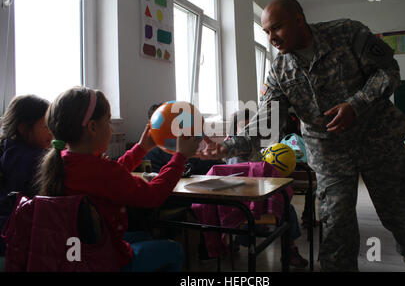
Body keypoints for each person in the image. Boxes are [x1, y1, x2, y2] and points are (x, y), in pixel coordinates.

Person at [198, 0, 405, 271]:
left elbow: (388, 72)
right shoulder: (279, 70)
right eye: (266, 32)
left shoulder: (347, 33)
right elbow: (266, 120)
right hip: (329, 154)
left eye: (276, 28)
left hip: (377, 141)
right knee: (336, 227)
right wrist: (227, 147)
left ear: (298, 19)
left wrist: (356, 104)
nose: (272, 37)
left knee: (402, 215)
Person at [36, 87, 201, 272]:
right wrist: (180, 157)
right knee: (174, 249)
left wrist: (140, 148)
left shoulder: (63, 161)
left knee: (143, 236)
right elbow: (154, 195)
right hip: (104, 261)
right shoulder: (102, 171)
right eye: (108, 121)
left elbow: (110, 177)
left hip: (75, 253)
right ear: (92, 127)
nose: (111, 127)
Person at [226, 109, 308, 268]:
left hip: (260, 196)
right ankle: (232, 242)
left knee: (287, 208)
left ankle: (290, 249)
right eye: (244, 129)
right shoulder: (230, 150)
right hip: (239, 199)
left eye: (251, 130)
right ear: (235, 130)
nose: (247, 134)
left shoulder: (262, 148)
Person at [0, 95, 52, 257]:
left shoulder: (8, 150)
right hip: (14, 233)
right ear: (23, 128)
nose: (51, 132)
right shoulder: (31, 158)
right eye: (45, 126)